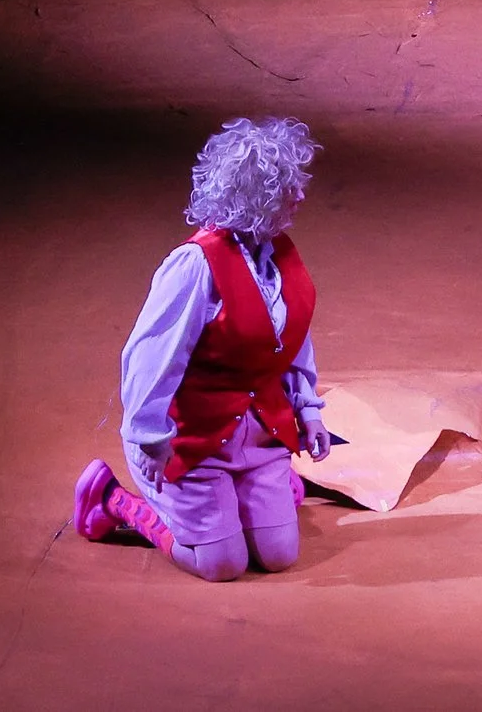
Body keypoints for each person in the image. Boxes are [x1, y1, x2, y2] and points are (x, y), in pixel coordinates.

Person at [70, 116, 334, 583]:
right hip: (195, 439)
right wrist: (150, 438)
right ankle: (115, 500)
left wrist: (308, 410)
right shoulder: (195, 266)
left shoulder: (280, 255)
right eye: (288, 187)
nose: (300, 196)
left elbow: (292, 339)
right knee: (221, 564)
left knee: (278, 556)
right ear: (258, 196)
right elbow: (151, 357)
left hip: (261, 435)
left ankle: (256, 497)